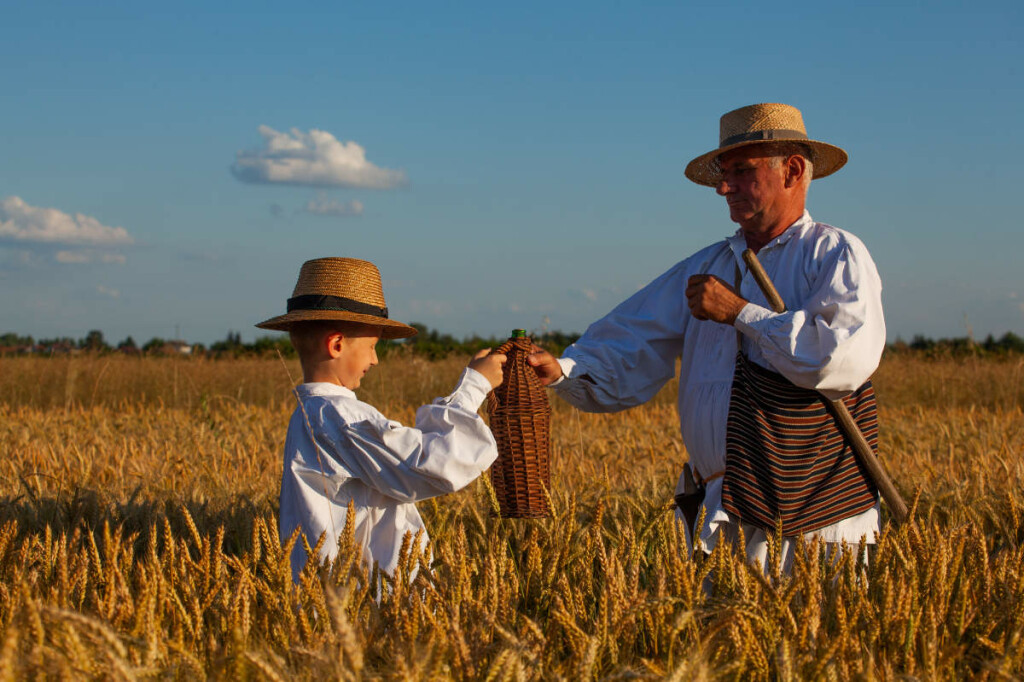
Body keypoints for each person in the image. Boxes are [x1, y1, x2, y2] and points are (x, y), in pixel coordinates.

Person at [528, 103, 886, 571]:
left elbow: (839, 361)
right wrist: (564, 371)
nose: (722, 187)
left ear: (792, 171)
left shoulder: (833, 252)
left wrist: (739, 313)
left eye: (740, 171)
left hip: (816, 516)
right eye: (722, 173)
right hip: (727, 508)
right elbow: (633, 339)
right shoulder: (709, 266)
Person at [256, 257, 506, 582]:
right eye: (373, 346)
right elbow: (432, 464)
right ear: (336, 344)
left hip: (329, 595)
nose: (375, 360)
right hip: (360, 602)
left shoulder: (310, 414)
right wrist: (473, 387)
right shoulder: (342, 417)